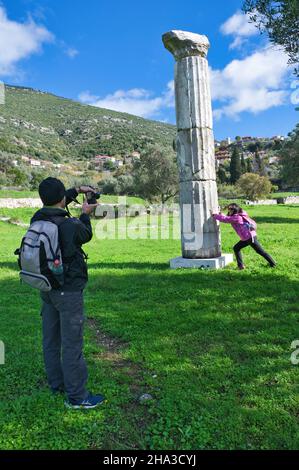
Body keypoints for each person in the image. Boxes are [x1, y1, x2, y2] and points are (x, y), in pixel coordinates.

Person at [31, 177, 105, 409]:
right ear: (63, 199)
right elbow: (85, 234)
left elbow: (58, 201)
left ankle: (57, 384)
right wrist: (85, 212)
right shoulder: (70, 225)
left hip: (47, 287)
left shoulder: (38, 218)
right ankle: (77, 397)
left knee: (51, 339)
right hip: (69, 291)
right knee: (72, 344)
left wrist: (77, 190)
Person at [212, 203, 276, 270]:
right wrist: (220, 214)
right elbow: (227, 218)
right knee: (236, 248)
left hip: (250, 237)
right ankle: (241, 266)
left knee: (260, 251)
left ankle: (273, 264)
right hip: (247, 237)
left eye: (230, 209)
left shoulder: (237, 217)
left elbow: (226, 219)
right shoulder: (238, 215)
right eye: (228, 209)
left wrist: (215, 215)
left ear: (234, 210)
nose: (229, 211)